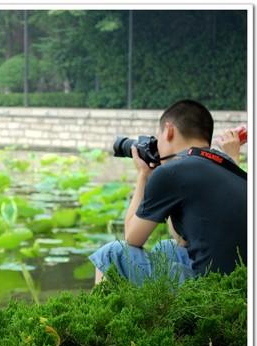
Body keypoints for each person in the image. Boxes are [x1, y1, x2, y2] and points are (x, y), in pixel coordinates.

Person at [89, 99, 247, 286]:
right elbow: (182, 240)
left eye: (159, 137)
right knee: (168, 249)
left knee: (112, 253)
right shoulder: (231, 169)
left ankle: (103, 312)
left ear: (169, 130)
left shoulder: (172, 171)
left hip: (207, 288)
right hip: (239, 284)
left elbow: (132, 237)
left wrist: (143, 175)